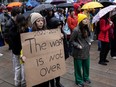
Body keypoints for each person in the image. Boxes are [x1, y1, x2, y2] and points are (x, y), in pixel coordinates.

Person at [5, 7, 26, 87]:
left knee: (19, 66)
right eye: (19, 14)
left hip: (18, 50)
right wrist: (12, 45)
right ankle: (19, 82)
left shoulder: (16, 25)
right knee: (19, 67)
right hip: (17, 50)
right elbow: (7, 37)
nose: (20, 15)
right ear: (16, 15)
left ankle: (19, 82)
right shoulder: (11, 24)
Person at [70, 14, 91, 87]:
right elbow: (71, 41)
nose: (86, 20)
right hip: (78, 52)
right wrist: (78, 45)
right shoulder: (76, 30)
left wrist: (89, 41)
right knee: (78, 68)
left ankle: (86, 77)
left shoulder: (87, 28)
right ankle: (78, 80)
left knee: (86, 66)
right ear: (81, 21)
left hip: (86, 51)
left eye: (87, 19)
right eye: (84, 19)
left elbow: (88, 37)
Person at [30, 12, 49, 87]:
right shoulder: (29, 34)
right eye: (38, 21)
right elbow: (25, 48)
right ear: (34, 23)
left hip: (46, 63)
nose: (41, 22)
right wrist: (23, 56)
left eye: (42, 20)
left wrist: (59, 37)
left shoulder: (47, 32)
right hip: (36, 64)